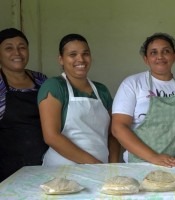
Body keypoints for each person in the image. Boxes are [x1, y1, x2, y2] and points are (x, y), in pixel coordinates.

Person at [111, 32, 175, 167]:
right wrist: (153, 157)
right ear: (145, 59)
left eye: (166, 51)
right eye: (153, 52)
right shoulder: (132, 84)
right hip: (143, 165)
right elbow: (118, 127)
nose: (160, 57)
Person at [38, 33, 120, 166]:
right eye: (72, 54)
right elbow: (51, 136)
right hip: (62, 169)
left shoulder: (101, 90)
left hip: (101, 169)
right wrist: (95, 165)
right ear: (61, 59)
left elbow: (113, 134)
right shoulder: (55, 86)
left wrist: (113, 166)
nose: (80, 59)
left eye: (85, 54)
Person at [0, 28, 48, 181]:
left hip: (46, 163)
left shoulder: (41, 80)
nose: (17, 53)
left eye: (22, 47)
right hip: (8, 169)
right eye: (9, 48)